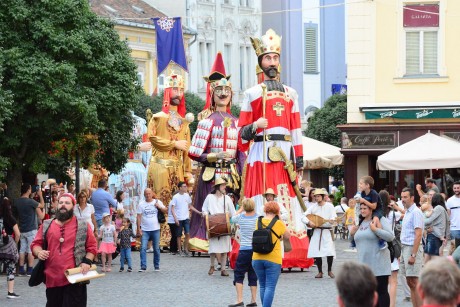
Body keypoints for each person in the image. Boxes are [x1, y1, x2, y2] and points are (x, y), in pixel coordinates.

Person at [238, 28, 310, 270]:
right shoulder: (252, 93)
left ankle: (288, 251)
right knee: (260, 194)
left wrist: (299, 159)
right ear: (260, 62)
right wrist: (255, 125)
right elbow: (241, 132)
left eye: (275, 58)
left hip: (284, 152)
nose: (272, 62)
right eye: (267, 58)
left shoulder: (292, 93)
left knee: (285, 197)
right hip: (261, 151)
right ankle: (258, 245)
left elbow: (297, 128)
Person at [188, 52, 245, 253]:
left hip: (231, 175)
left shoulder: (239, 122)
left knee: (230, 209)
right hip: (211, 174)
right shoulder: (206, 121)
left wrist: (244, 172)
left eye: (226, 89)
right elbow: (194, 153)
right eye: (218, 89)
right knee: (210, 209)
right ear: (212, 93)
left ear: (231, 93)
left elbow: (241, 152)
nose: (222, 93)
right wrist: (213, 156)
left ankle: (231, 241)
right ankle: (205, 241)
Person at [147, 72, 193, 248]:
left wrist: (188, 171)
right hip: (160, 165)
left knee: (178, 205)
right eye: (175, 89)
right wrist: (174, 143)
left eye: (181, 89)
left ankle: (176, 239)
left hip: (177, 168)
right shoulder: (158, 117)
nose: (178, 93)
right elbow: (152, 138)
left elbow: (186, 148)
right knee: (161, 201)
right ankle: (157, 238)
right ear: (167, 91)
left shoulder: (184, 121)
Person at [31, 193, 97, 307]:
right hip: (52, 279)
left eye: (67, 203)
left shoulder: (83, 225)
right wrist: (39, 252)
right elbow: (36, 244)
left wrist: (87, 262)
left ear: (73, 206)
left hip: (75, 278)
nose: (63, 205)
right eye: (61, 202)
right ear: (57, 205)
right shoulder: (47, 224)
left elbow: (92, 247)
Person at [351, 202, 394, 307]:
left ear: (371, 209)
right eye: (361, 208)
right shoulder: (360, 222)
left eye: (365, 208)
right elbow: (355, 240)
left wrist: (376, 230)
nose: (362, 211)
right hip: (364, 266)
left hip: (379, 263)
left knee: (381, 292)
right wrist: (351, 233)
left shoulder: (379, 220)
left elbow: (390, 237)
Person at [252, 201, 289, 307]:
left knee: (263, 286)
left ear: (265, 210)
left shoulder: (258, 221)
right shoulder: (278, 223)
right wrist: (280, 217)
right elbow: (287, 236)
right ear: (277, 211)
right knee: (270, 287)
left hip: (257, 257)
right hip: (273, 259)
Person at [202, 178, 236, 276]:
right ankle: (212, 265)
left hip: (224, 224)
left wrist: (229, 216)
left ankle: (223, 269)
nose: (225, 187)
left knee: (225, 249)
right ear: (218, 187)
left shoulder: (227, 198)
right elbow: (204, 209)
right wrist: (205, 215)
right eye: (222, 185)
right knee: (213, 248)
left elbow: (233, 212)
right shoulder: (209, 197)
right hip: (212, 225)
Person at [229, 198, 259, 307]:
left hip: (244, 249)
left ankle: (239, 299)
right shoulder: (258, 218)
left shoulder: (241, 217)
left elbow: (232, 219)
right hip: (255, 250)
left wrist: (240, 209)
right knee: (253, 274)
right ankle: (253, 300)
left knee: (239, 273)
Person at [302, 188, 337, 278]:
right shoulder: (313, 207)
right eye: (315, 196)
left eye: (318, 196)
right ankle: (320, 271)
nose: (316, 198)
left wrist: (333, 220)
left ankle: (329, 270)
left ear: (322, 197)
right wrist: (309, 222)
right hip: (317, 231)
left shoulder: (330, 206)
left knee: (329, 251)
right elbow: (303, 216)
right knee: (317, 252)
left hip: (327, 231)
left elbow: (334, 216)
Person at [12, 183, 45, 276]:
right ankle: (30, 269)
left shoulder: (17, 201)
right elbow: (42, 205)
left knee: (22, 249)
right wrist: (41, 196)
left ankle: (21, 269)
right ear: (28, 190)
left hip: (22, 228)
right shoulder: (31, 201)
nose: (31, 190)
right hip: (31, 228)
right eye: (30, 189)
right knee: (30, 249)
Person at [399, 188, 424, 307]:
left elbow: (418, 234)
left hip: (412, 249)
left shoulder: (416, 212)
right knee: (410, 282)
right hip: (405, 248)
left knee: (414, 281)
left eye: (405, 197)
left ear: (412, 198)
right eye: (402, 197)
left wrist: (413, 255)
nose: (403, 200)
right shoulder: (408, 211)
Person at [136, 188, 167, 272]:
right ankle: (143, 266)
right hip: (145, 229)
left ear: (152, 193)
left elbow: (165, 210)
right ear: (144, 194)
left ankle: (156, 266)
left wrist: (159, 207)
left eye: (149, 193)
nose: (148, 195)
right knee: (143, 248)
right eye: (146, 194)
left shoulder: (157, 202)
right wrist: (138, 229)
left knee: (156, 248)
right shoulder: (141, 204)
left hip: (155, 228)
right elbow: (138, 217)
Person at [355, 176, 386, 249]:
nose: (359, 185)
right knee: (359, 219)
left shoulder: (374, 193)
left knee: (376, 219)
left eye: (361, 183)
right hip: (369, 209)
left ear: (367, 185)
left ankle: (382, 241)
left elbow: (374, 206)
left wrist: (363, 201)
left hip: (378, 209)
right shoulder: (362, 193)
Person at [171, 181, 200, 256]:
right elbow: (172, 209)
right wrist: (175, 218)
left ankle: (185, 249)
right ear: (180, 188)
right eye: (184, 186)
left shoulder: (187, 196)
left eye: (186, 186)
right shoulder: (175, 197)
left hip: (186, 217)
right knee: (179, 235)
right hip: (179, 218)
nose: (186, 188)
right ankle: (180, 250)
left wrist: (198, 212)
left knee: (187, 233)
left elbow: (190, 206)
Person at [0, 197, 21, 299]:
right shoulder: (10, 218)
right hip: (8, 246)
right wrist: (14, 242)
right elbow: (17, 234)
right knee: (10, 268)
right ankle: (10, 292)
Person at [423, 193, 449, 262]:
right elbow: (447, 223)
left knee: (434, 261)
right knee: (427, 260)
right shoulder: (442, 209)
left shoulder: (438, 208)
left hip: (434, 236)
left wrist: (423, 218)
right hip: (435, 235)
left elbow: (427, 221)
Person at [446, 181, 460, 248]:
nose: (456, 190)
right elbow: (448, 214)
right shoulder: (449, 200)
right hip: (454, 228)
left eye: (458, 188)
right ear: (453, 188)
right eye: (455, 188)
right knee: (455, 248)